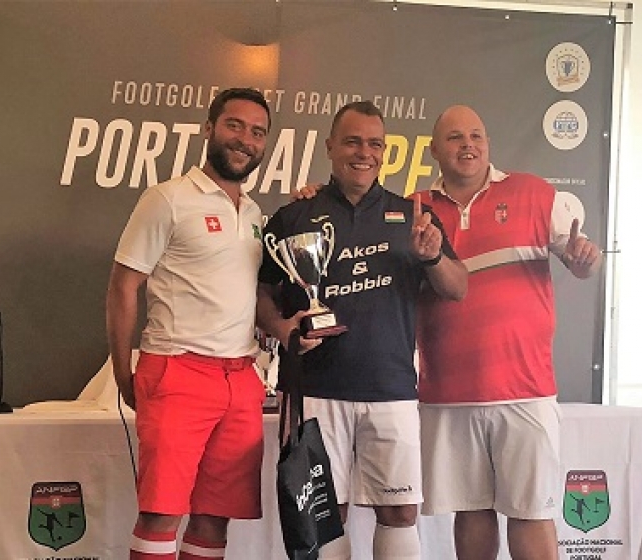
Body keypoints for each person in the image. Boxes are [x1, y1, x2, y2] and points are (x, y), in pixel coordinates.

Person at [257, 100, 468, 560]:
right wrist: (281, 327)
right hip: (316, 391)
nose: (364, 152)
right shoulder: (295, 216)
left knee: (400, 512)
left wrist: (432, 256)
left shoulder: (412, 215)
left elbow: (457, 287)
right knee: (324, 513)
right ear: (330, 146)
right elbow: (262, 295)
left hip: (391, 390)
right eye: (352, 141)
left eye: (375, 143)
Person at [415, 105, 602, 560]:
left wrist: (585, 259)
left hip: (525, 390)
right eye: (455, 137)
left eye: (476, 136)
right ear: (434, 149)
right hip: (448, 393)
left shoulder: (534, 193)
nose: (468, 145)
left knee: (532, 513)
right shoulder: (414, 208)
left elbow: (579, 260)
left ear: (488, 144)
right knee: (471, 513)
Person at [105, 87, 271, 560]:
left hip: (241, 378)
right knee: (161, 514)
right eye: (234, 125)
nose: (245, 140)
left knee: (214, 518)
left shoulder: (255, 213)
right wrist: (123, 371)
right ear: (209, 128)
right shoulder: (168, 198)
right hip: (177, 370)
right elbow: (122, 287)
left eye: (257, 132)